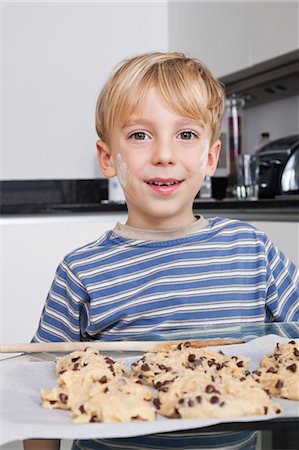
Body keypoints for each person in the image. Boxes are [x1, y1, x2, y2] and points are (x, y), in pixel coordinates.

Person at [24, 52, 299, 450]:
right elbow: (36, 393)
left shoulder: (252, 252)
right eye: (140, 135)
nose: (164, 155)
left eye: (185, 135)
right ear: (107, 158)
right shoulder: (82, 271)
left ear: (210, 157)